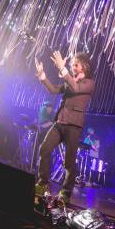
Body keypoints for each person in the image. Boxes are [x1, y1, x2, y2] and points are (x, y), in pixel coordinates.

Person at [33, 51, 95, 205]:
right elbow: (54, 90)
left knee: (69, 163)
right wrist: (43, 76)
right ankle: (42, 184)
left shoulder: (89, 83)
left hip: (74, 126)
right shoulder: (70, 80)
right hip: (59, 122)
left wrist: (63, 68)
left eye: (76, 65)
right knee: (44, 149)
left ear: (84, 67)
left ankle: (65, 193)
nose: (73, 67)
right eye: (72, 65)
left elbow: (75, 88)